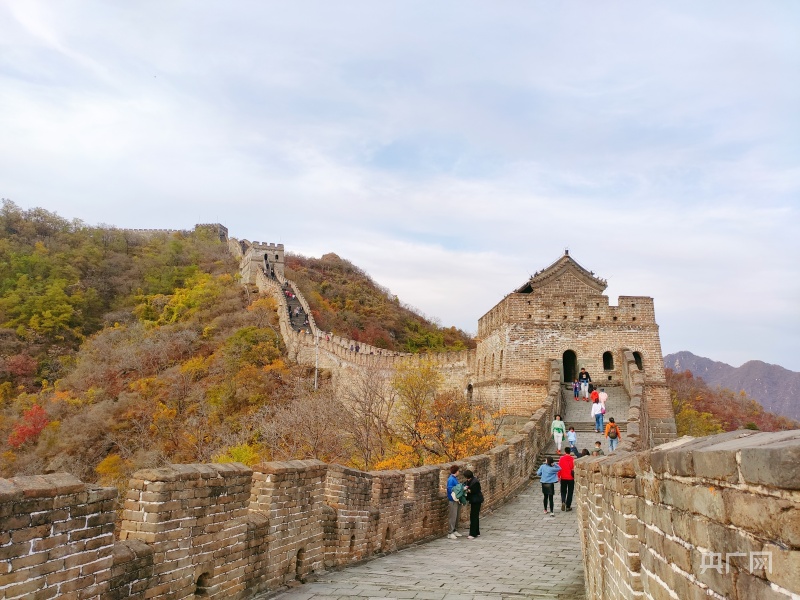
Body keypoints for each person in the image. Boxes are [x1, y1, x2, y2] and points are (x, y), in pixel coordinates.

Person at [462, 470, 483, 539]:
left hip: (476, 501)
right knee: (475, 516)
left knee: (473, 517)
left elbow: (473, 491)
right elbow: (466, 484)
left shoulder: (475, 482)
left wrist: (467, 490)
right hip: (474, 501)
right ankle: (477, 532)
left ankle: (472, 533)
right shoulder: (471, 480)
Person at [446, 465, 463, 539]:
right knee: (452, 516)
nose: (459, 472)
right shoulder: (451, 479)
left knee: (456, 515)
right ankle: (450, 532)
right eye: (458, 471)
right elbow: (450, 489)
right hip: (452, 499)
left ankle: (455, 529)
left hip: (457, 499)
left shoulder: (454, 478)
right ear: (456, 471)